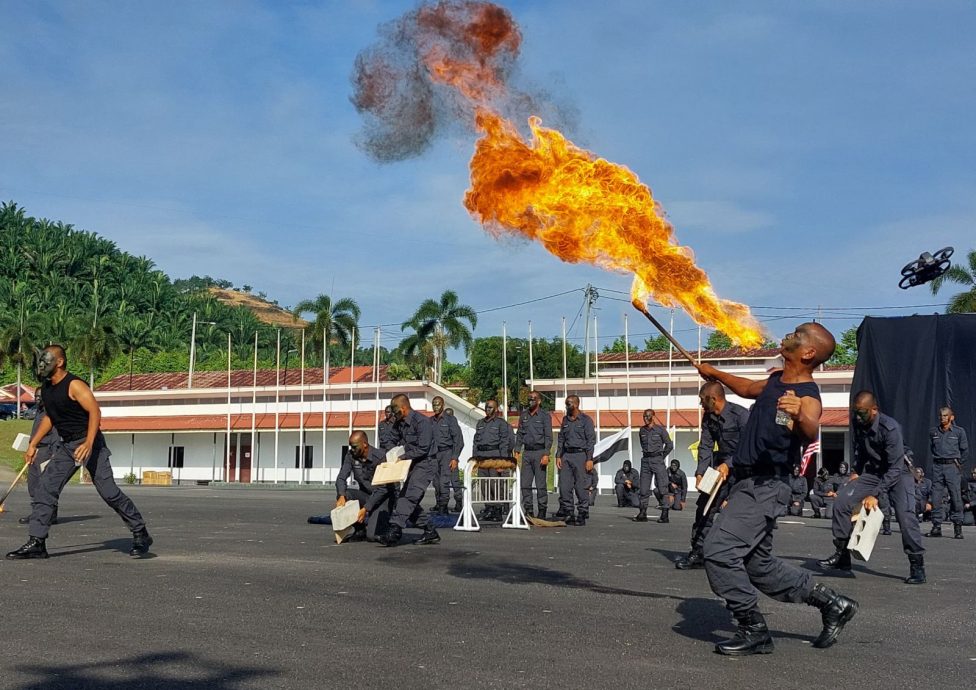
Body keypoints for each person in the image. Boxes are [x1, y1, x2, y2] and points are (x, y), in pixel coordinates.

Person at [696, 323, 857, 656]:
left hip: (767, 485)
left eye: (797, 334)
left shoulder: (807, 394)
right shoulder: (774, 381)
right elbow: (746, 388)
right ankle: (832, 603)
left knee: (718, 550)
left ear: (808, 352)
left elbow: (812, 428)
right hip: (747, 483)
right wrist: (714, 372)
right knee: (758, 565)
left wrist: (800, 415)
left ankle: (752, 628)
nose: (789, 335)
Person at [7, 345, 152, 560]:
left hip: (90, 443)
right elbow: (50, 418)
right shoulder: (46, 388)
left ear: (60, 362)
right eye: (40, 362)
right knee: (45, 489)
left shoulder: (74, 385)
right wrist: (33, 444)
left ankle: (140, 532)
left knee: (109, 492)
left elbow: (95, 411)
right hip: (67, 446)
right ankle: (37, 542)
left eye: (45, 361)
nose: (41, 365)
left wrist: (89, 443)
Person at [818, 391, 925, 585]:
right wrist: (856, 472)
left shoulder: (890, 428)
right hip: (873, 473)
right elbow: (861, 451)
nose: (858, 417)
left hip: (898, 473)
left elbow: (894, 467)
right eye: (856, 412)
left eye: (862, 412)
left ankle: (917, 565)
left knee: (905, 515)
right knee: (842, 501)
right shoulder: (859, 422)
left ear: (874, 410)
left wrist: (875, 494)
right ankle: (842, 557)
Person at [674, 382, 749, 570]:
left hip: (744, 469)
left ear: (713, 399)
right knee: (704, 508)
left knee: (743, 514)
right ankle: (698, 552)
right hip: (719, 467)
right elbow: (706, 445)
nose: (700, 404)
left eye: (702, 400)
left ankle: (746, 557)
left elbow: (749, 448)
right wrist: (700, 472)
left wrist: (729, 464)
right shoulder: (708, 417)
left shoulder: (741, 416)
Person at [379, 394, 440, 547]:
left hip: (426, 463)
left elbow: (423, 448)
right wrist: (389, 453)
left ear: (404, 408)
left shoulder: (422, 422)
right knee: (408, 498)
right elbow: (391, 439)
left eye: (396, 411)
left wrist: (403, 456)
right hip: (411, 463)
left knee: (409, 496)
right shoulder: (399, 423)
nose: (393, 415)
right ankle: (430, 530)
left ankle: (395, 530)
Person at [18, 398, 71, 526]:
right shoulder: (39, 411)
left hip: (47, 450)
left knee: (46, 484)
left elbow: (55, 434)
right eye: (36, 396)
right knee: (33, 484)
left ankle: (50, 514)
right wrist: (31, 445)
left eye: (40, 396)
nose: (38, 398)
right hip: (36, 449)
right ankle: (37, 513)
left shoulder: (51, 411)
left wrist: (53, 453)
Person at [331, 431, 392, 542]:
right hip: (365, 495)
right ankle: (360, 529)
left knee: (372, 536)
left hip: (381, 500)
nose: (352, 450)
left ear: (364, 444)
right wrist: (341, 495)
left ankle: (387, 524)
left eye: (354, 447)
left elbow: (383, 488)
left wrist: (366, 508)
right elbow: (341, 478)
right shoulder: (351, 455)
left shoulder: (380, 457)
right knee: (346, 494)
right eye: (351, 447)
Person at [927, 406, 969, 539]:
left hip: (952, 467)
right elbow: (932, 448)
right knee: (936, 497)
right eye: (940, 415)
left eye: (945, 415)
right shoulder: (934, 432)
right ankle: (936, 527)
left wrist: (958, 463)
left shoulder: (959, 432)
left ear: (952, 417)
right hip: (938, 466)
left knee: (955, 496)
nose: (942, 418)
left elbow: (965, 450)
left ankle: (957, 527)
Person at [555, 395, 595, 526]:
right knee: (565, 486)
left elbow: (590, 441)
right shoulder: (565, 420)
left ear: (576, 404)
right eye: (566, 404)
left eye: (569, 404)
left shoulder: (586, 420)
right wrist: (558, 455)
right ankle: (569, 513)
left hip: (580, 455)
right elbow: (561, 439)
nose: (567, 406)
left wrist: (589, 459)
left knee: (581, 487)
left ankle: (582, 513)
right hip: (566, 455)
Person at [470, 399, 513, 522]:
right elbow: (476, 442)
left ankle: (497, 510)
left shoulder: (501, 423)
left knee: (495, 484)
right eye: (486, 407)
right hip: (482, 457)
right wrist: (475, 459)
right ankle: (489, 508)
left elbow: (504, 443)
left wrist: (502, 462)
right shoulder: (480, 423)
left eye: (490, 407)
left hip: (495, 455)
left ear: (496, 409)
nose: (487, 409)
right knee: (484, 484)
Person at [515, 390, 552, 519]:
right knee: (525, 484)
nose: (530, 400)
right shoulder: (524, 415)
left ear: (539, 401)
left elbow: (548, 436)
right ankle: (528, 510)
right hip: (527, 452)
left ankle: (542, 510)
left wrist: (546, 454)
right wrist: (517, 450)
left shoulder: (544, 416)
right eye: (529, 398)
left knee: (541, 484)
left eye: (533, 398)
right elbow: (520, 434)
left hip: (540, 452)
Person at [633, 409, 674, 523]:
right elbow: (642, 444)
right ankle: (642, 512)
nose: (646, 419)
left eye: (648, 416)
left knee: (662, 487)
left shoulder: (660, 430)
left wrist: (662, 456)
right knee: (644, 488)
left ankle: (665, 514)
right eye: (644, 417)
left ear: (653, 417)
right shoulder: (642, 431)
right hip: (646, 460)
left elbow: (669, 445)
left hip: (657, 460)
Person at [430, 396, 464, 515]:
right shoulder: (430, 421)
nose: (436, 407)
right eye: (434, 404)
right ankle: (439, 503)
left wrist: (454, 457)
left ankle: (443, 506)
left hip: (447, 453)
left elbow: (458, 440)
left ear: (443, 405)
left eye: (438, 404)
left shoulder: (450, 420)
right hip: (434, 454)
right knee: (436, 482)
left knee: (445, 481)